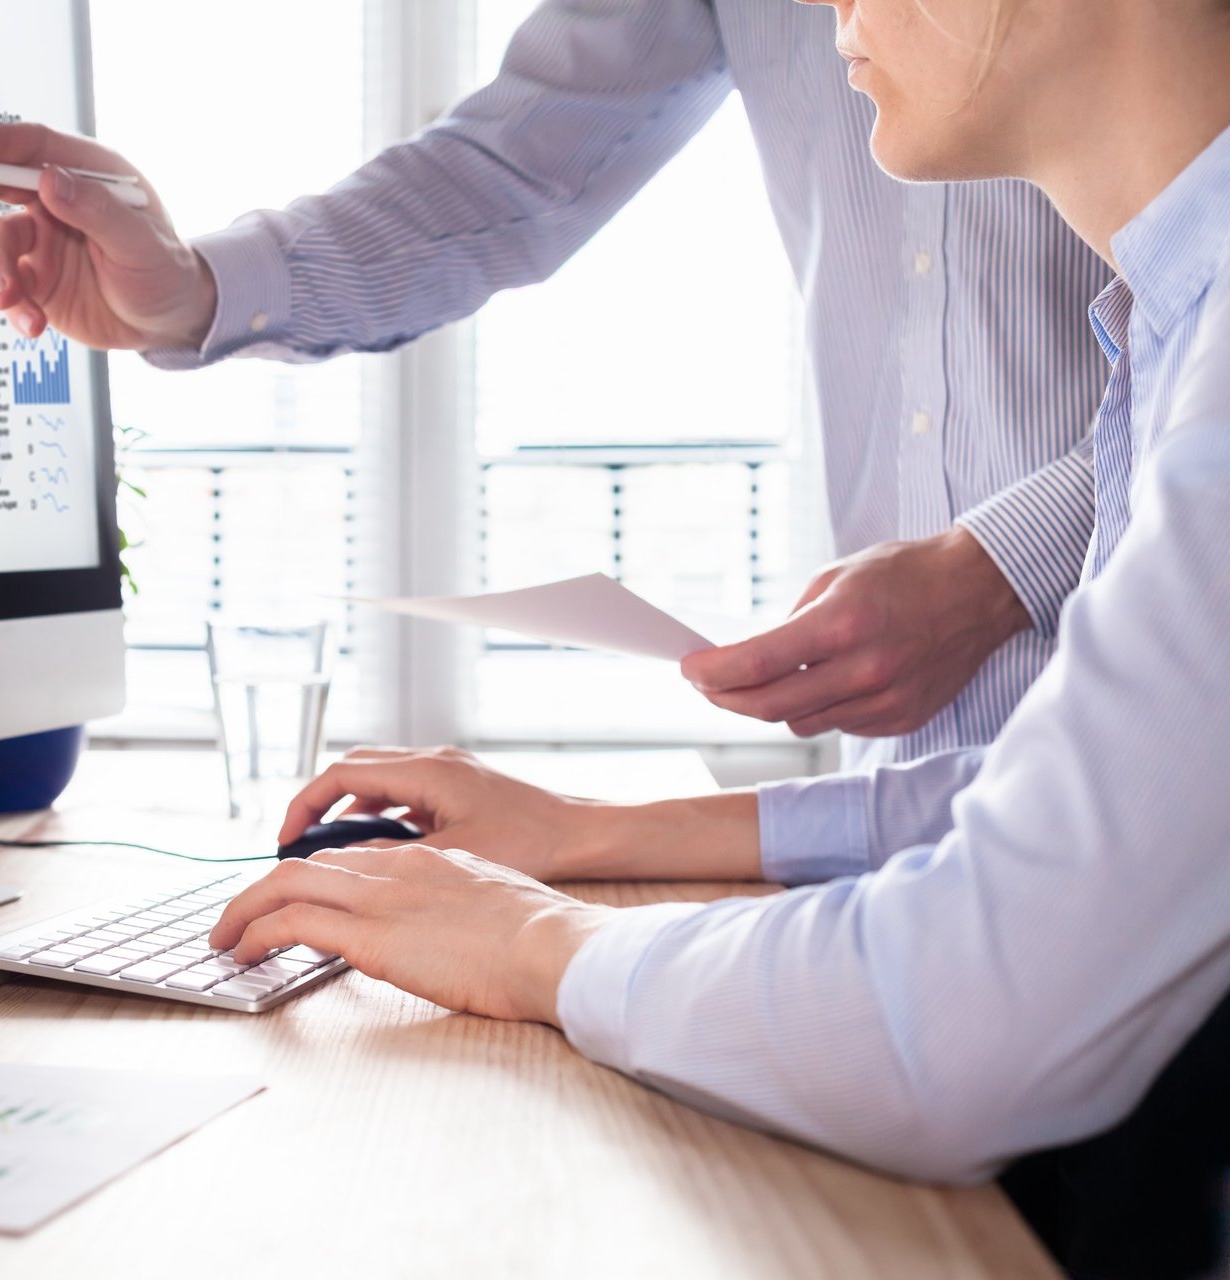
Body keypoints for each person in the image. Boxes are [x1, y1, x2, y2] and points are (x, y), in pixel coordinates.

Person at [205, 0, 1230, 1250]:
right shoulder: (1173, 327)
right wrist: (588, 836)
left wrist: (536, 943)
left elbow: (959, 1013)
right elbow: (1071, 805)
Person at [0, 0, 1111, 769]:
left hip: (1161, 721)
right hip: (906, 774)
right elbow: (514, 170)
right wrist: (190, 288)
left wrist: (1007, 564)